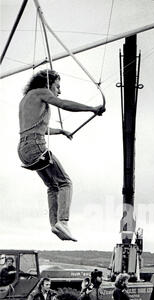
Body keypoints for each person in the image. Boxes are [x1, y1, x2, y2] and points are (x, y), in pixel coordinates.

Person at [18, 69, 105, 241]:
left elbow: (40, 128)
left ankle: (55, 226)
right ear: (48, 83)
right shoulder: (42, 92)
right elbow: (63, 104)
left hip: (23, 149)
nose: (59, 90)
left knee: (52, 186)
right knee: (65, 182)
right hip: (36, 145)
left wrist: (61, 131)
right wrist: (91, 108)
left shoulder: (26, 99)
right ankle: (63, 221)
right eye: (57, 86)